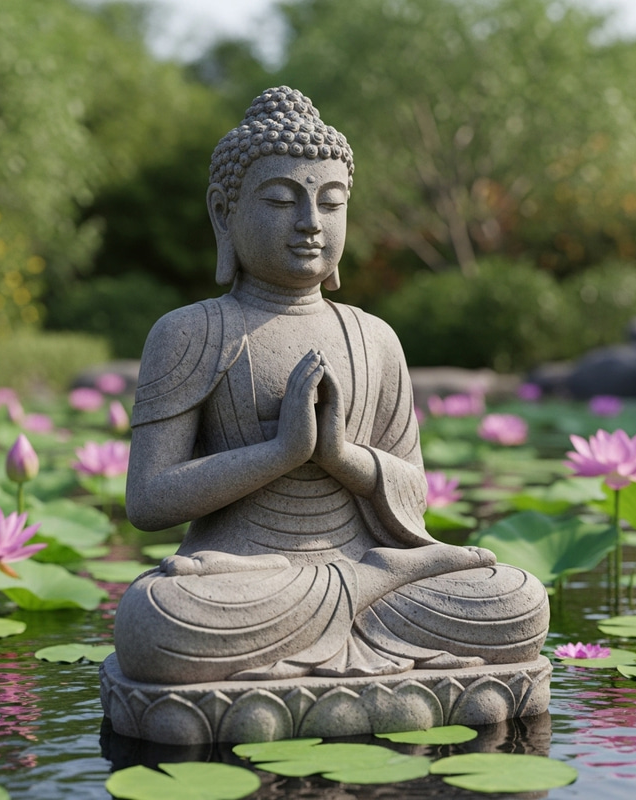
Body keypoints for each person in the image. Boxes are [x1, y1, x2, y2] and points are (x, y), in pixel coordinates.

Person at [114, 87, 548, 686]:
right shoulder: (190, 332)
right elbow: (148, 500)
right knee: (157, 617)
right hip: (248, 579)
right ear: (224, 212)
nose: (310, 223)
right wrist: (279, 453)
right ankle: (363, 608)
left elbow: (413, 492)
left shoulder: (375, 338)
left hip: (368, 568)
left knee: (517, 598)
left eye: (331, 202)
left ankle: (367, 595)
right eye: (280, 200)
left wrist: (341, 456)